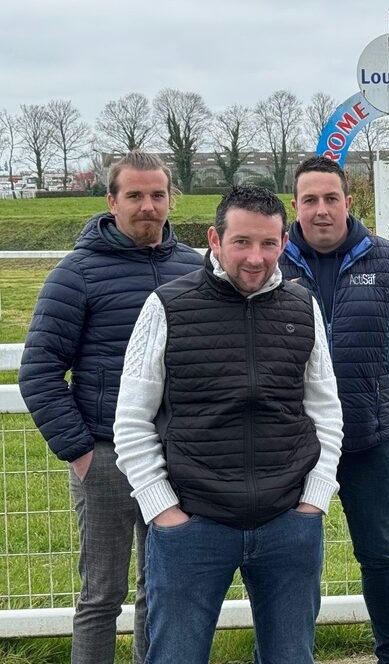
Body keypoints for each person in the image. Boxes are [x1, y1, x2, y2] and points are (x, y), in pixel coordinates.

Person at [113, 185, 344, 664]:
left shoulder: (304, 309)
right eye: (242, 242)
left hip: (288, 523)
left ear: (285, 243)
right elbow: (132, 420)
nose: (256, 258)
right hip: (192, 525)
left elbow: (326, 411)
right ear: (215, 240)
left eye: (268, 243)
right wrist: (163, 512)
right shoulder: (166, 306)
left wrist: (314, 500)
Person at [18, 150, 203, 664]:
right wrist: (82, 453)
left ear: (171, 199)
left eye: (157, 195)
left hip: (174, 458)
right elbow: (38, 372)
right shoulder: (76, 273)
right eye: (135, 195)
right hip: (105, 457)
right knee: (102, 596)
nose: (148, 206)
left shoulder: (193, 268)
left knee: (160, 590)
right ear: (111, 201)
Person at [280, 156, 389, 664]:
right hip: (291, 443)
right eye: (309, 200)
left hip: (367, 435)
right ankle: (292, 654)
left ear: (348, 203)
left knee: (379, 554)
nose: (321, 210)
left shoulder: (385, 260)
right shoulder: (273, 262)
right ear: (296, 206)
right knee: (294, 560)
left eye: (330, 198)